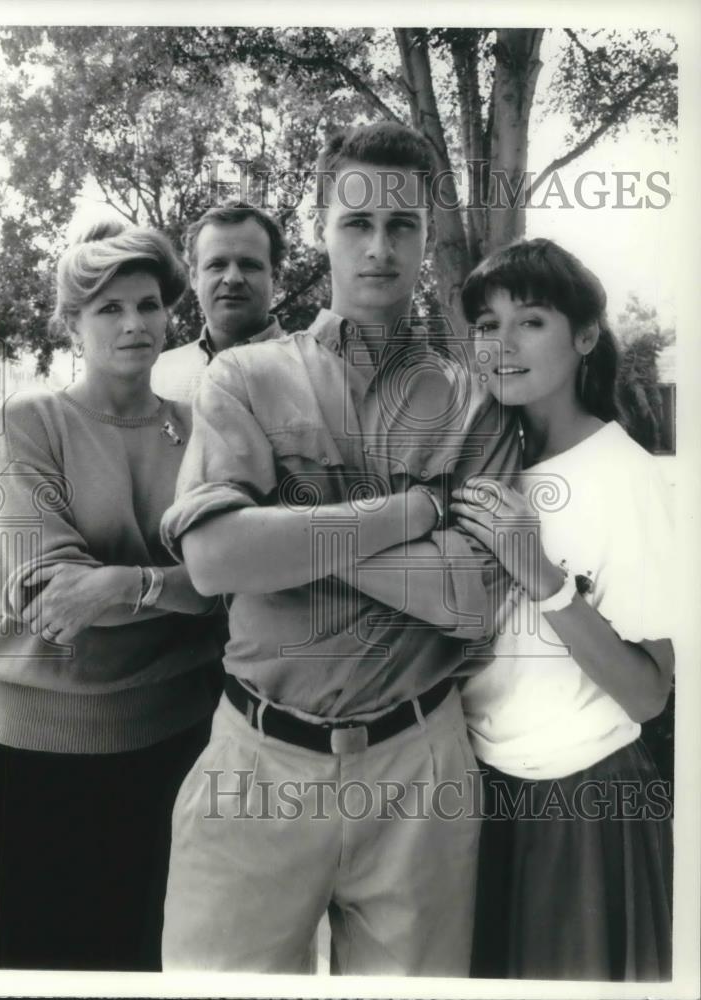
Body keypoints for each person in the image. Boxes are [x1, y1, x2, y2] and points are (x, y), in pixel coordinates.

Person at [159, 122, 521, 975]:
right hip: (256, 762)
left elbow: (465, 599)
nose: (379, 248)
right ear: (321, 230)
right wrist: (409, 514)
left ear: (429, 236)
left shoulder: (476, 406)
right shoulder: (243, 378)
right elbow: (212, 562)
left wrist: (287, 521)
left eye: (402, 226)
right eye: (356, 225)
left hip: (420, 769)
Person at [0, 220, 223, 971]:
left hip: (177, 743)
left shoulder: (199, 429)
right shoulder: (32, 419)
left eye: (148, 304)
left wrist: (118, 583)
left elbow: (225, 581)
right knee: (42, 962)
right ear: (73, 323)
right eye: (109, 308)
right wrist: (175, 587)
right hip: (47, 748)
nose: (136, 323)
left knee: (155, 964)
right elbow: (46, 590)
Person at [453, 238, 674, 980]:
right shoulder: (485, 462)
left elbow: (649, 693)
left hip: (585, 803)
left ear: (584, 337)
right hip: (482, 793)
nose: (503, 344)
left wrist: (544, 578)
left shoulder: (626, 476)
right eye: (488, 323)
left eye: (531, 322)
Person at [151, 203, 286, 405]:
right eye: (217, 265)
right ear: (194, 277)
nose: (232, 278)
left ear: (275, 277)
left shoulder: (316, 373)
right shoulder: (155, 378)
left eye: (249, 265)